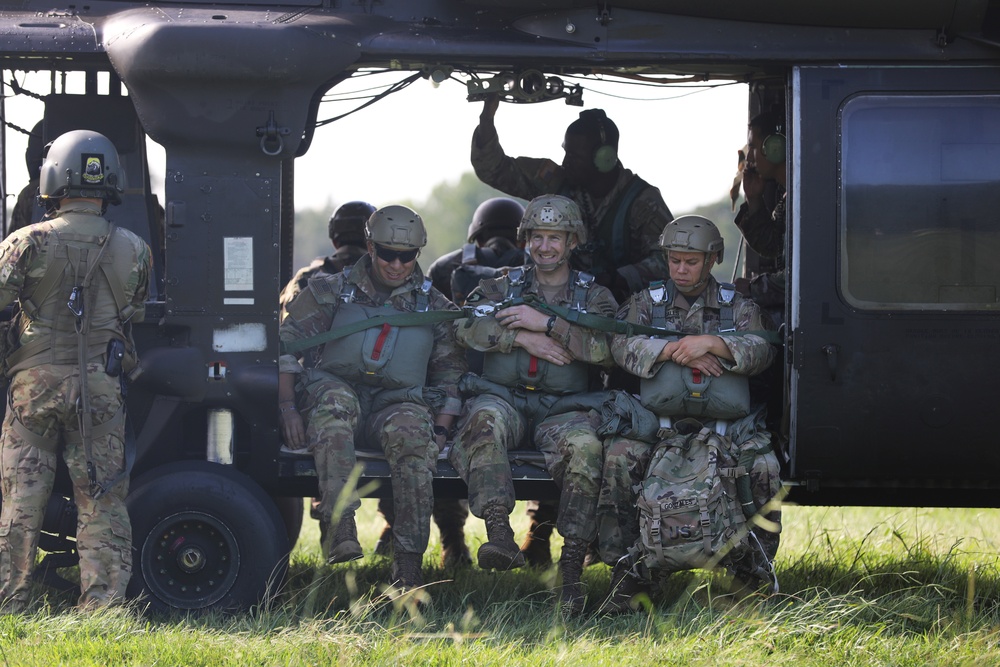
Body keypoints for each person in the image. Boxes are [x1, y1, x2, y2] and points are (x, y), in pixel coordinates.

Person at [472, 97, 675, 563]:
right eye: (565, 151)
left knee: (586, 430)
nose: (566, 161)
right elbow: (494, 167)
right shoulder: (557, 183)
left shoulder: (642, 200)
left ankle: (591, 541)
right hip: (550, 304)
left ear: (606, 155)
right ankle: (534, 537)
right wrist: (488, 115)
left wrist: (622, 278)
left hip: (611, 320)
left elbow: (672, 258)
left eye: (577, 154)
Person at [596, 215, 782, 613]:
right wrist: (668, 351)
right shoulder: (647, 303)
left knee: (764, 466)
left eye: (691, 261)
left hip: (727, 428)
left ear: (713, 258)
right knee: (618, 459)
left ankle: (751, 575)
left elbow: (765, 349)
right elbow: (617, 344)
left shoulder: (738, 308)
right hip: (657, 427)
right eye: (674, 260)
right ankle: (627, 576)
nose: (681, 269)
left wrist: (715, 345)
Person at [0, 130, 152, 612]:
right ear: (110, 183)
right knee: (102, 500)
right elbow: (135, 312)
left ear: (53, 180)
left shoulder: (26, 241)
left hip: (34, 390)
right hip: (100, 390)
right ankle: (103, 604)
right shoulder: (135, 248)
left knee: (22, 497)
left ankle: (11, 599)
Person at [278, 205, 467, 591]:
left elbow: (450, 378)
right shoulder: (330, 290)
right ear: (369, 246)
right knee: (333, 402)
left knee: (415, 434)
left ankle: (409, 564)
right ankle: (340, 525)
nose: (397, 264)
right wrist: (287, 407)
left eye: (407, 256)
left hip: (397, 403)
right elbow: (285, 346)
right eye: (386, 253)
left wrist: (442, 431)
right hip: (338, 392)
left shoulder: (434, 307)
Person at [449, 194, 617, 616]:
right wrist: (519, 337)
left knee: (587, 450)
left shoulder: (593, 296)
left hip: (564, 408)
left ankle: (572, 570)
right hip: (504, 398)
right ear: (526, 239)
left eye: (554, 238)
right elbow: (463, 325)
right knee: (482, 422)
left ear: (572, 241)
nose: (545, 246)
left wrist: (550, 326)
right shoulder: (502, 285)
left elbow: (611, 348)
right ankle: (499, 535)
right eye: (537, 237)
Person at [373, 197, 526, 568]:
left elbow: (425, 331)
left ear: (476, 232)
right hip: (512, 390)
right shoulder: (534, 269)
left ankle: (449, 543)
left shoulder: (448, 266)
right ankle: (534, 542)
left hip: (449, 386)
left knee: (417, 446)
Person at [279, 201, 375, 319]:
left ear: (334, 240)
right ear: (373, 241)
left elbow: (286, 321)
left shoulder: (306, 277)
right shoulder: (384, 276)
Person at [734, 111, 787, 316]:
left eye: (753, 147)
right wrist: (754, 199)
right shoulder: (788, 196)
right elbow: (772, 246)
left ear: (775, 148)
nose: (748, 157)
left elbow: (803, 276)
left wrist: (752, 288)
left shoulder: (807, 198)